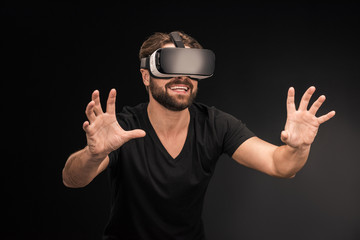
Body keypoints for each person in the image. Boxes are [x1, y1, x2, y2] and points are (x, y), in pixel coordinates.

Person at [62, 31, 336, 240]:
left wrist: (299, 148)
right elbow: (72, 179)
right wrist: (93, 154)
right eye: (170, 65)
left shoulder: (216, 125)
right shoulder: (122, 129)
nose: (182, 76)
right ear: (146, 76)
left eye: (191, 67)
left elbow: (281, 165)